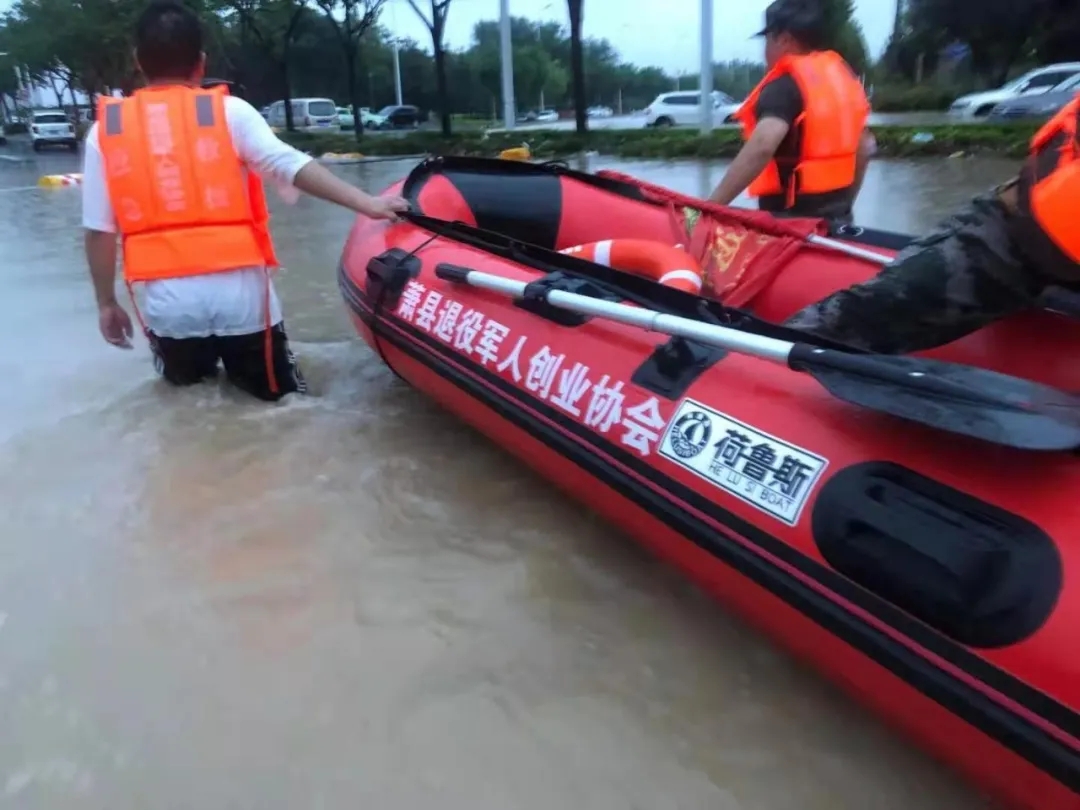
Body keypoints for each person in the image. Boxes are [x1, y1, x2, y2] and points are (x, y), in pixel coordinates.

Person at [83, 0, 409, 402]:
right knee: (283, 404)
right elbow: (291, 165)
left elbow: (99, 231)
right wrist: (369, 203)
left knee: (190, 411)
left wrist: (106, 304)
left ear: (138, 61)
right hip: (241, 295)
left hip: (169, 305)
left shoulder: (105, 131)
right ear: (200, 63)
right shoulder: (229, 112)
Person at [785, 92, 1080, 354]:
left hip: (1041, 243)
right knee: (857, 313)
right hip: (1018, 238)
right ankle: (763, 354)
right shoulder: (797, 90)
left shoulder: (794, 89)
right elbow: (863, 146)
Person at [708, 0, 875, 226]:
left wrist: (710, 208)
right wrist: (844, 210)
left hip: (791, 228)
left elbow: (763, 145)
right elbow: (865, 148)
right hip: (837, 223)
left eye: (767, 41)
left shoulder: (784, 86)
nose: (764, 51)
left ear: (784, 39)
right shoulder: (844, 81)